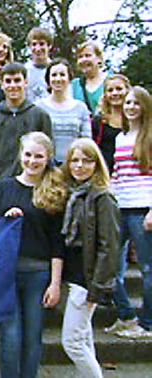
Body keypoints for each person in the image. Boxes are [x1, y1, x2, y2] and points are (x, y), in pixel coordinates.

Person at [0, 131, 67, 378]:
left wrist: (55, 283)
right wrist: (4, 220)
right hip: (5, 274)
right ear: (20, 155)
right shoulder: (2, 188)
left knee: (32, 337)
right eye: (28, 155)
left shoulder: (53, 191)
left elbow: (57, 243)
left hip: (38, 274)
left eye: (38, 156)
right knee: (10, 336)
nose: (32, 161)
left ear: (48, 158)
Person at [60, 138, 119, 378]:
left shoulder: (102, 197)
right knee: (83, 339)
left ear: (97, 164)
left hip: (87, 280)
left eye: (87, 161)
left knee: (72, 342)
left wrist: (98, 287)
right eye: (75, 160)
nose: (80, 166)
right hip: (72, 276)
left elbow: (109, 247)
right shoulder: (71, 194)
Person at [107, 86, 152, 339]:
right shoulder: (120, 138)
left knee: (147, 269)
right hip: (119, 208)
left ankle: (147, 325)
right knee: (110, 268)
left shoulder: (150, 136)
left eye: (136, 103)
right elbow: (117, 174)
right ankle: (126, 316)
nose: (131, 107)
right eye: (128, 103)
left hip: (143, 209)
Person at [0, 62, 52, 188]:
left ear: (25, 82)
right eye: (8, 81)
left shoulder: (40, 116)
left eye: (17, 80)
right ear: (1, 84)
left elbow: (48, 154)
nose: (13, 86)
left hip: (33, 184)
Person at [35, 59, 91, 164]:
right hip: (46, 168)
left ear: (69, 78)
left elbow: (86, 142)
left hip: (75, 167)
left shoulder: (81, 108)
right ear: (48, 79)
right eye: (54, 75)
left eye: (62, 74)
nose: (58, 79)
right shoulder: (38, 107)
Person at [92, 74, 131, 172]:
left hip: (130, 173)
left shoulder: (136, 120)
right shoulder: (98, 122)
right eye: (110, 90)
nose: (115, 93)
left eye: (119, 89)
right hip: (105, 174)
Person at [72, 41, 107, 115]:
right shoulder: (74, 85)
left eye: (88, 55)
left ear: (99, 59)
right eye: (80, 57)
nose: (84, 60)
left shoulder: (111, 81)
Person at [24, 27, 53, 103]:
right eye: (34, 44)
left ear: (49, 46)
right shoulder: (24, 70)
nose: (38, 48)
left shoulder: (55, 70)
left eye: (41, 44)